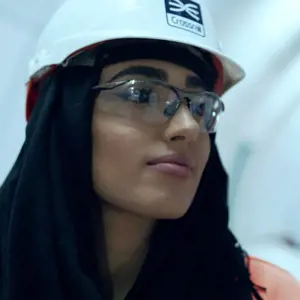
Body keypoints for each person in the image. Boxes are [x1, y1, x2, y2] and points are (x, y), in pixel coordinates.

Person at [0, 0, 299, 299]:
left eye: (200, 106)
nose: (189, 127)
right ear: (62, 113)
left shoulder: (267, 293)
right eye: (141, 94)